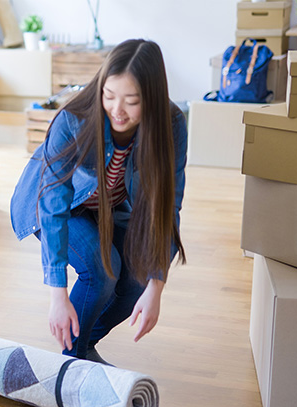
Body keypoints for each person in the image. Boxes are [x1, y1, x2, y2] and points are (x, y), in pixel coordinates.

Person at [10, 38, 187, 364]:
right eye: (109, 95)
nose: (117, 110)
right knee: (101, 270)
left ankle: (80, 349)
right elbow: (53, 203)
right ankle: (72, 359)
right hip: (55, 206)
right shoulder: (74, 119)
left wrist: (156, 287)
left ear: (152, 98)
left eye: (132, 101)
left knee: (135, 279)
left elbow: (168, 205)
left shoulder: (171, 124)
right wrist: (58, 295)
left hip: (109, 209)